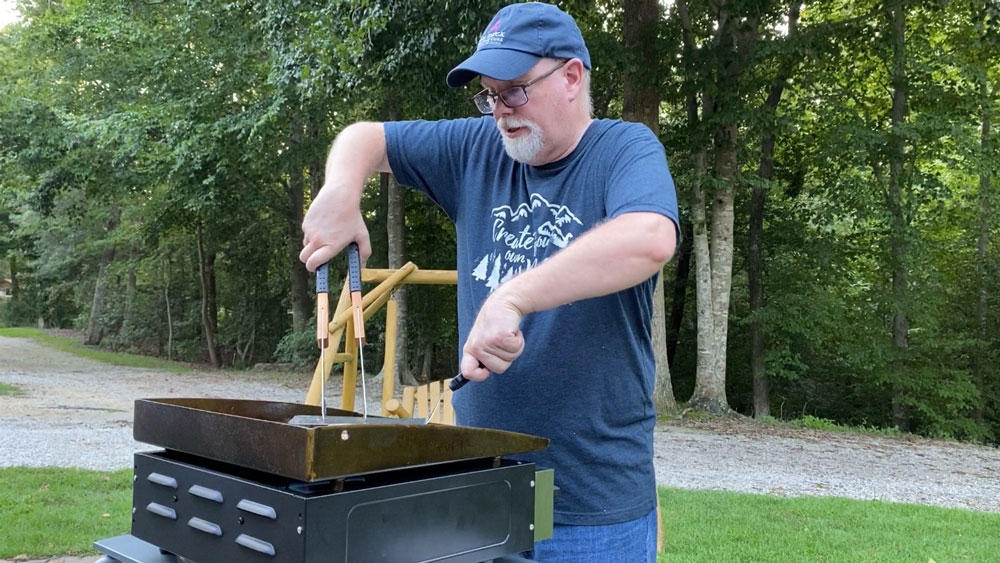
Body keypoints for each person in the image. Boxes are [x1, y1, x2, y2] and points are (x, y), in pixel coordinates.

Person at [299, 2, 679, 561]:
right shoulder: (478, 149)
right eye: (488, 94)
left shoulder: (624, 149)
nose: (499, 110)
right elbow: (365, 136)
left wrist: (513, 296)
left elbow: (648, 238)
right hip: (478, 494)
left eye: (514, 91)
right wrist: (340, 189)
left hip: (592, 509)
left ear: (571, 76)